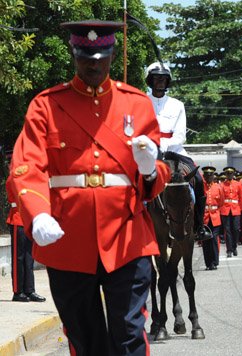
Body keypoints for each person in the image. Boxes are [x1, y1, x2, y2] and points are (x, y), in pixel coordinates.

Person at [7, 20, 171, 355]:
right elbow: (27, 165)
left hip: (126, 237)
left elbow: (152, 181)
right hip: (68, 239)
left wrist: (149, 170)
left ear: (111, 55)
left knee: (129, 333)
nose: (93, 65)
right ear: (75, 55)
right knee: (85, 338)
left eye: (100, 58)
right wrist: (37, 214)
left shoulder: (136, 104)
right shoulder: (46, 105)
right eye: (86, 58)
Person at [145, 61, 207, 239]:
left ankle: (199, 225)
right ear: (150, 80)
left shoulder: (177, 104)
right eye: (156, 78)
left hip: (176, 150)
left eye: (164, 79)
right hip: (149, 151)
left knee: (198, 178)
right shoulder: (141, 101)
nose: (160, 82)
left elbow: (181, 135)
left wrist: (165, 144)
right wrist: (153, 144)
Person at [5, 177, 45, 302]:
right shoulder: (13, 179)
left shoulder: (27, 179)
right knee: (19, 258)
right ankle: (18, 292)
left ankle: (29, 290)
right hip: (18, 218)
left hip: (28, 220)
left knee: (29, 258)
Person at [201, 166, 223, 270]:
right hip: (204, 217)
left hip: (214, 216)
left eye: (210, 176)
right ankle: (208, 263)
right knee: (205, 240)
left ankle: (214, 262)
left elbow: (221, 202)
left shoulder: (218, 187)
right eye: (206, 176)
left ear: (213, 176)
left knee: (214, 239)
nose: (208, 177)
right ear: (204, 176)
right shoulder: (201, 187)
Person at [221, 166, 242, 257]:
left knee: (236, 229)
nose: (229, 175)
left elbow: (241, 198)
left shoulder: (238, 184)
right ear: (226, 175)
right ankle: (229, 250)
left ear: (233, 174)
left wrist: (240, 209)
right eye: (228, 174)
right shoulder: (222, 185)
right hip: (225, 209)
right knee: (228, 230)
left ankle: (234, 246)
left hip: (235, 209)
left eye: (231, 173)